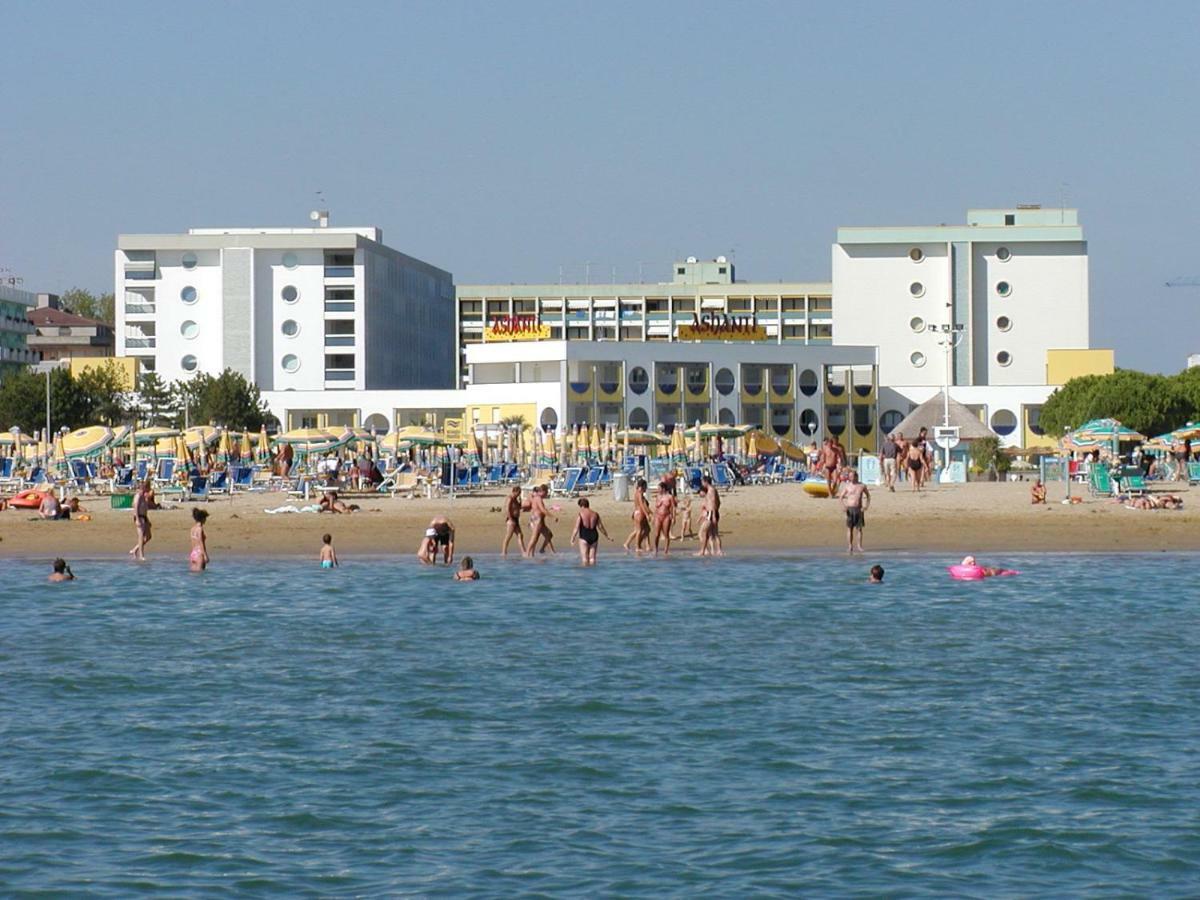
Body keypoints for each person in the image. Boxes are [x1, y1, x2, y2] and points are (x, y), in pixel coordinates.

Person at [837, 468, 870, 554]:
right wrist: (843, 506)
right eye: (850, 477)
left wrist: (866, 506)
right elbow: (840, 497)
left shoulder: (862, 486)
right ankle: (850, 546)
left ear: (856, 476)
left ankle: (859, 546)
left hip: (859, 509)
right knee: (849, 529)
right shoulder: (847, 486)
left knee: (859, 529)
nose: (851, 478)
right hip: (850, 509)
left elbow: (868, 496)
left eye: (853, 476)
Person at [570, 497, 610, 566]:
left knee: (585, 559)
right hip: (594, 536)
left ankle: (586, 575)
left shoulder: (581, 514)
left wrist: (572, 538)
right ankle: (593, 574)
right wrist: (607, 536)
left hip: (584, 536)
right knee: (592, 559)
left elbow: (576, 528)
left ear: (581, 506)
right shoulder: (595, 514)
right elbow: (600, 527)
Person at [525, 484, 557, 556]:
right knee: (534, 538)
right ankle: (527, 554)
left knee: (548, 535)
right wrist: (553, 517)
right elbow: (542, 510)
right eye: (546, 492)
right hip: (537, 520)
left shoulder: (536, 498)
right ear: (542, 491)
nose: (547, 494)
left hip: (539, 521)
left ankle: (538, 551)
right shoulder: (538, 498)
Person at [695, 474, 723, 557]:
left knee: (703, 532)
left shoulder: (711, 490)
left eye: (702, 482)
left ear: (706, 482)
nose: (702, 484)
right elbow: (718, 502)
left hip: (711, 513)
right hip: (713, 512)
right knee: (714, 533)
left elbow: (713, 502)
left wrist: (713, 514)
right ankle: (718, 551)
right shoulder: (712, 490)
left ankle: (703, 551)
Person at [624, 478, 651, 554]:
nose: (646, 488)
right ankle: (637, 546)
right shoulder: (639, 493)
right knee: (638, 530)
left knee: (646, 529)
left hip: (638, 513)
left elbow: (643, 504)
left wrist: (649, 513)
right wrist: (646, 514)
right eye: (645, 486)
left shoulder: (639, 493)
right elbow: (641, 505)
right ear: (642, 486)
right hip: (639, 513)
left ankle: (645, 545)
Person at [652, 480, 676, 556]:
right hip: (658, 516)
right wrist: (653, 517)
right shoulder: (658, 496)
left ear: (663, 489)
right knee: (656, 534)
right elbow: (656, 508)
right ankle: (655, 549)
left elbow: (673, 507)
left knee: (666, 534)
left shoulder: (670, 496)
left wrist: (673, 516)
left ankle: (666, 550)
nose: (658, 490)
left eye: (659, 488)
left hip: (666, 516)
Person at [129, 480, 152, 560]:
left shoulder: (144, 496)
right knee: (141, 536)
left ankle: (135, 549)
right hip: (139, 517)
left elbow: (145, 509)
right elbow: (135, 508)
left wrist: (147, 520)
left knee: (148, 536)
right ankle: (141, 555)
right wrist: (138, 520)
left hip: (144, 517)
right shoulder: (138, 496)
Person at [502, 485, 525, 556]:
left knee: (520, 535)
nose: (519, 494)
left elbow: (519, 507)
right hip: (511, 519)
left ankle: (523, 552)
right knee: (509, 536)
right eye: (519, 493)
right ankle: (504, 552)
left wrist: (520, 501)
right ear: (515, 492)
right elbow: (507, 509)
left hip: (516, 519)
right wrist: (511, 519)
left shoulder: (515, 499)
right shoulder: (510, 498)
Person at [189, 507, 209, 572]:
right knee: (200, 575)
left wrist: (192, 553)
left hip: (193, 553)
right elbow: (201, 542)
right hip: (199, 553)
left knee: (193, 575)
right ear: (202, 519)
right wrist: (205, 555)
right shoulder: (200, 529)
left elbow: (192, 542)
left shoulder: (192, 529)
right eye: (205, 518)